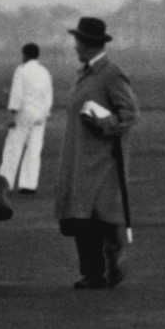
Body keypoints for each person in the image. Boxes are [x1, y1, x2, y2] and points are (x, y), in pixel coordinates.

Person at [54, 15, 139, 290]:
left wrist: (104, 122)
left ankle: (104, 267)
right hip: (80, 159)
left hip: (101, 161)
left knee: (98, 218)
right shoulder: (85, 74)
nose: (75, 48)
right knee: (82, 218)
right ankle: (92, 273)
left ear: (87, 44)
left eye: (77, 42)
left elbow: (129, 114)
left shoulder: (110, 74)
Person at [0, 41, 54, 194]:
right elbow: (48, 95)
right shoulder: (45, 72)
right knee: (34, 150)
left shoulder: (21, 70)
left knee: (13, 148)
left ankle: (5, 182)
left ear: (25, 55)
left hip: (23, 114)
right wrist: (45, 113)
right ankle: (29, 185)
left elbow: (17, 93)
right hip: (39, 115)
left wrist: (12, 113)